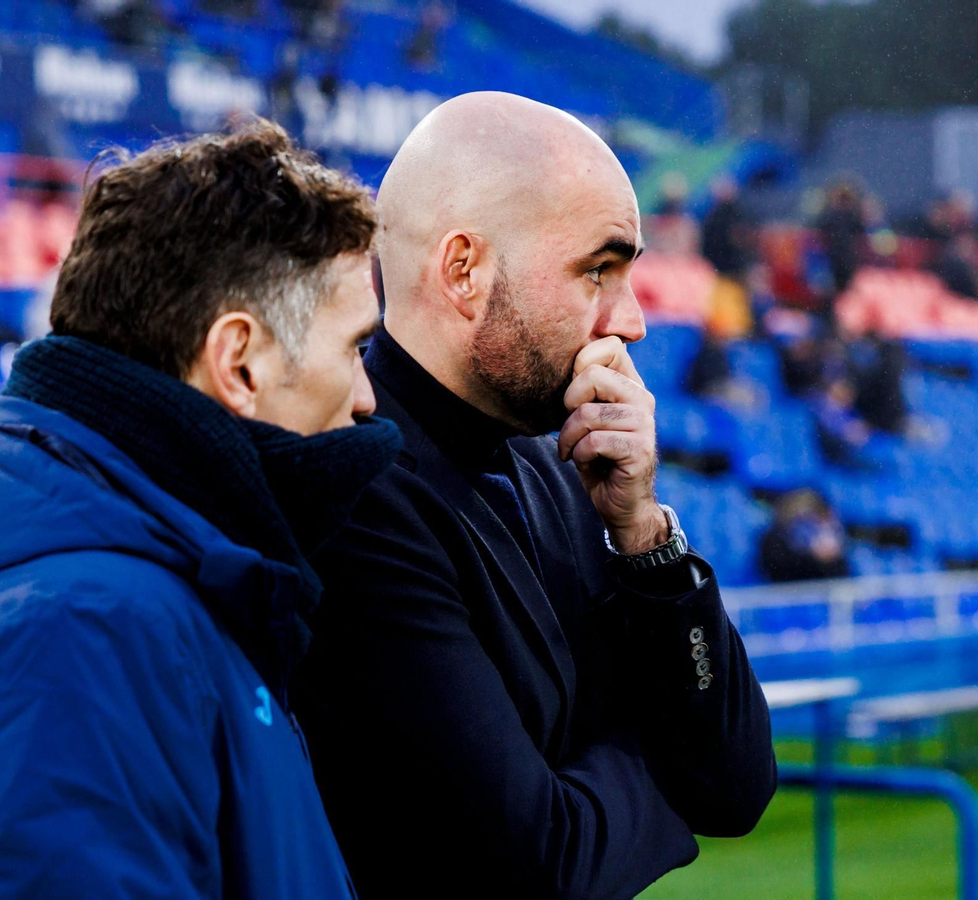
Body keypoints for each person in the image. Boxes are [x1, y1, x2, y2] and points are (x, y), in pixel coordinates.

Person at [0, 121, 400, 898]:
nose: (367, 398)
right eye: (355, 349)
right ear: (239, 361)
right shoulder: (80, 635)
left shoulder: (154, 591)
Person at [295, 92, 775, 900]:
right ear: (464, 271)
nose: (633, 321)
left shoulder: (568, 465)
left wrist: (644, 533)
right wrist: (664, 756)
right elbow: (542, 868)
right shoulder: (357, 495)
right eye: (599, 271)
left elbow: (736, 782)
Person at [760, 490, 850, 583]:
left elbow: (840, 576)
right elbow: (779, 571)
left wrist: (831, 559)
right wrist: (814, 557)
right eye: (802, 518)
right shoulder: (774, 539)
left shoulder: (827, 535)